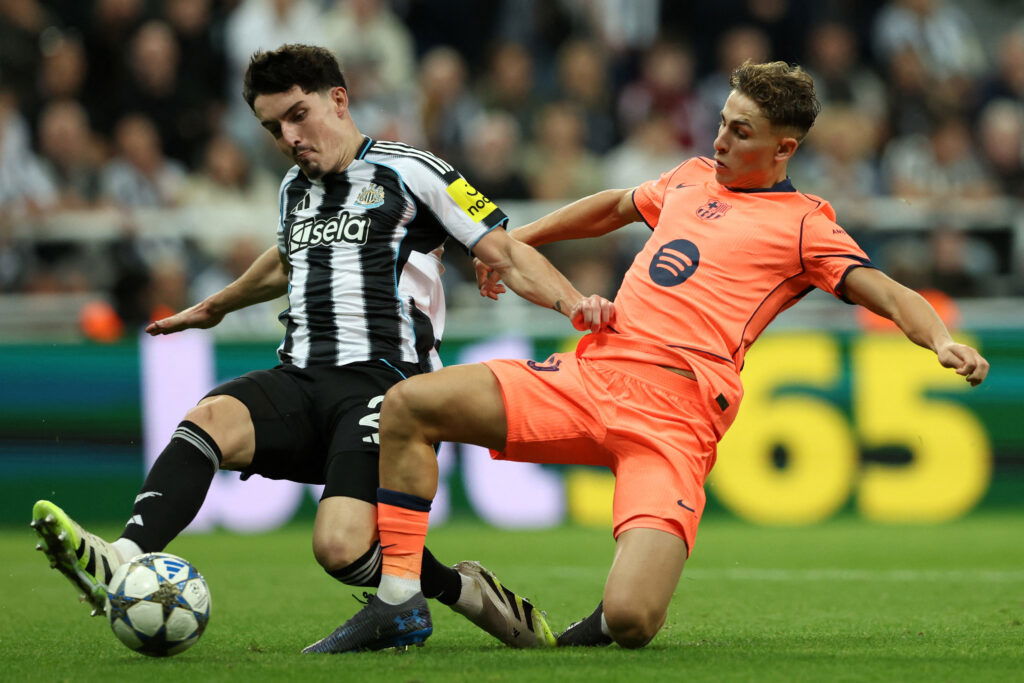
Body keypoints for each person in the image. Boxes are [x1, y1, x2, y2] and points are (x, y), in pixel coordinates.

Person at [313, 60, 990, 652]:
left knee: (634, 619)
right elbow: (614, 204)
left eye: (741, 132)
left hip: (677, 420)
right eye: (722, 123)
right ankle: (402, 600)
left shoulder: (807, 224)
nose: (721, 140)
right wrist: (512, 243)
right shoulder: (690, 178)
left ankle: (593, 626)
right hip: (591, 375)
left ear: (784, 148)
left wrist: (941, 339)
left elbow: (889, 291)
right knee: (408, 405)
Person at [32, 44, 610, 653]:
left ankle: (450, 594)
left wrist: (573, 304)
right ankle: (121, 558)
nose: (288, 137)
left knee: (339, 548)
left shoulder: (413, 170)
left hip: (389, 387)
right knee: (206, 422)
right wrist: (217, 306)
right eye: (272, 127)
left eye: (297, 115)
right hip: (302, 376)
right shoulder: (293, 189)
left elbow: (506, 251)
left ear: (339, 99)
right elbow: (286, 259)